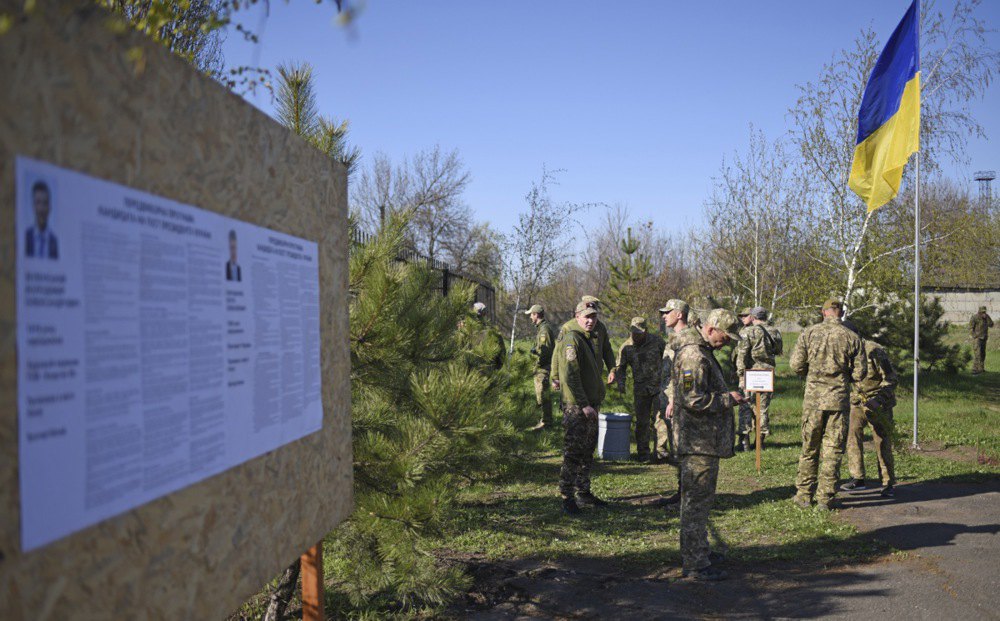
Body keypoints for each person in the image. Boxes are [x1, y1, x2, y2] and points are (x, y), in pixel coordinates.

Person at [673, 308, 745, 581]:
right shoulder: (694, 356)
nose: (726, 343)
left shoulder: (703, 352)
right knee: (695, 504)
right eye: (725, 337)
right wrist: (728, 399)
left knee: (699, 503)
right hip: (698, 442)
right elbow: (692, 399)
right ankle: (695, 564)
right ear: (711, 329)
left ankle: (698, 551)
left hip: (703, 440)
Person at [789, 299, 867, 511]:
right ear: (841, 313)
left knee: (809, 448)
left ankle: (804, 495)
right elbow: (860, 373)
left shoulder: (809, 333)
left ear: (824, 313)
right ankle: (826, 498)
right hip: (838, 401)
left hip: (813, 400)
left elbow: (796, 365)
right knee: (833, 450)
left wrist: (812, 374)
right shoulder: (852, 337)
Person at [556, 302, 609, 515]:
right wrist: (584, 404)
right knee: (573, 452)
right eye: (586, 316)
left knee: (587, 451)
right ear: (576, 316)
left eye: (593, 317)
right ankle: (567, 496)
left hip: (590, 405)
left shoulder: (588, 338)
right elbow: (571, 375)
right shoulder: (572, 339)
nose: (590, 320)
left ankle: (583, 492)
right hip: (577, 407)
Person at [841, 321, 898, 498]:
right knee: (852, 438)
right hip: (857, 403)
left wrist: (879, 399)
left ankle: (887, 482)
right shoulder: (846, 351)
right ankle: (857, 478)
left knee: (882, 442)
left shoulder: (874, 350)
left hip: (878, 404)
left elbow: (891, 378)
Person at [613, 317, 666, 461]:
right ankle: (643, 454)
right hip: (641, 389)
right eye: (633, 332)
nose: (635, 335)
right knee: (642, 422)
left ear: (646, 331)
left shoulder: (657, 341)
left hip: (659, 387)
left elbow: (668, 360)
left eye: (639, 333)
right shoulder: (626, 347)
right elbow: (620, 368)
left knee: (660, 420)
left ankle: (660, 452)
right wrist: (621, 385)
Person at [551, 295, 616, 392]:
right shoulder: (568, 328)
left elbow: (607, 350)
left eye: (594, 315)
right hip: (574, 380)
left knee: (595, 400)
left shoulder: (600, 328)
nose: (591, 320)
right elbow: (557, 353)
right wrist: (555, 376)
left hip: (594, 379)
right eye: (587, 315)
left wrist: (612, 370)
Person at [734, 306, 778, 451]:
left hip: (750, 372)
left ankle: (744, 441)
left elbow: (742, 354)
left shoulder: (748, 331)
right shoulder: (774, 331)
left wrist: (740, 372)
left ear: (753, 317)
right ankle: (760, 441)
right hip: (767, 372)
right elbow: (778, 350)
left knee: (746, 406)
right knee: (763, 407)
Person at [526, 304, 557, 430]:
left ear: (536, 315)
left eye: (531, 315)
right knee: (541, 395)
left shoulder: (544, 330)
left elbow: (546, 351)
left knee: (543, 395)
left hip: (543, 367)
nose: (530, 317)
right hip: (541, 366)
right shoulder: (541, 328)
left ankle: (546, 422)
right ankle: (544, 420)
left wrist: (537, 363)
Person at [25, 180, 58, 259]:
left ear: (49, 207)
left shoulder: (55, 242)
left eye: (45, 203)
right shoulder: (26, 237)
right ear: (33, 206)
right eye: (38, 202)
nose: (41, 209)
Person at [969, 306, 994, 374]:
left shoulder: (986, 317)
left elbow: (991, 325)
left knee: (983, 354)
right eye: (982, 311)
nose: (983, 313)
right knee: (977, 354)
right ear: (979, 311)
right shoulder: (974, 317)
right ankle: (975, 369)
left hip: (984, 338)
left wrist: (987, 318)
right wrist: (974, 336)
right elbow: (971, 328)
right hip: (977, 338)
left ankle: (981, 369)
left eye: (984, 311)